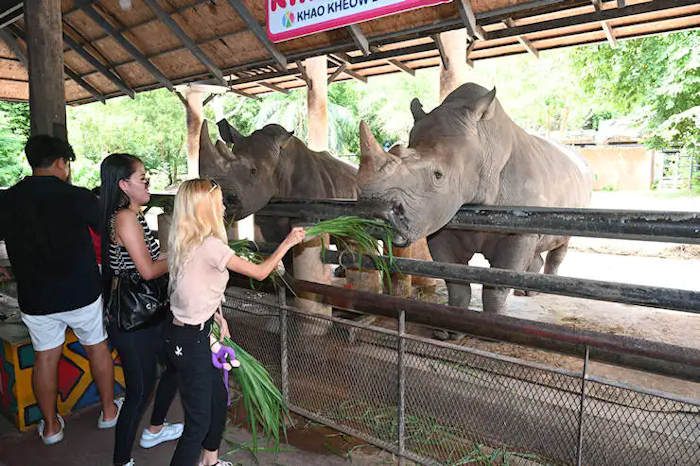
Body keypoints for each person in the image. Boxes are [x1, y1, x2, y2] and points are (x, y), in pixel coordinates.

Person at [167, 179, 305, 466]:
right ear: (205, 208)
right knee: (198, 423)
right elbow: (260, 272)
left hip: (195, 332)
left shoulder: (187, 242)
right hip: (191, 341)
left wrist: (216, 317)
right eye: (218, 201)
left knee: (218, 401)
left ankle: (210, 461)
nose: (223, 206)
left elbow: (194, 289)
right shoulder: (211, 246)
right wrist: (288, 243)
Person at [0, 135, 119, 445]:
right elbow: (107, 233)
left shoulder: (8, 199)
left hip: (36, 296)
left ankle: (51, 427)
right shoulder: (78, 197)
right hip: (81, 291)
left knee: (45, 358)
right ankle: (108, 412)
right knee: (97, 347)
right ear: (59, 163)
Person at [100, 153, 183, 466]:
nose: (149, 184)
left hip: (149, 314)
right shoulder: (124, 218)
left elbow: (145, 262)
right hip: (134, 321)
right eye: (143, 179)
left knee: (174, 367)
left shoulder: (133, 216)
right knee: (139, 390)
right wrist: (181, 256)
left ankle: (156, 428)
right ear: (124, 185)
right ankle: (121, 460)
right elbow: (148, 271)